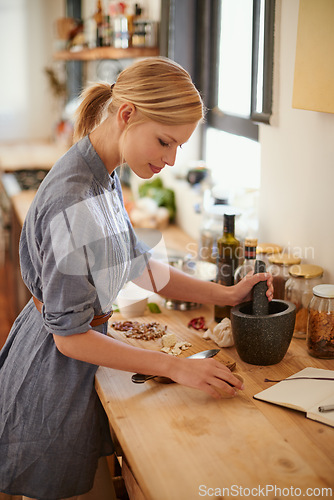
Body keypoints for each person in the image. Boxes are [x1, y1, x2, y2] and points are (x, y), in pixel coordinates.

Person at [0, 57, 273, 500]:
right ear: (127, 114)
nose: (170, 159)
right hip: (52, 379)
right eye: (165, 141)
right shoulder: (74, 198)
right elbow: (69, 338)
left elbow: (139, 263)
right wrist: (175, 367)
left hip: (79, 366)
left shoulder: (103, 174)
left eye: (179, 147)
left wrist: (226, 292)